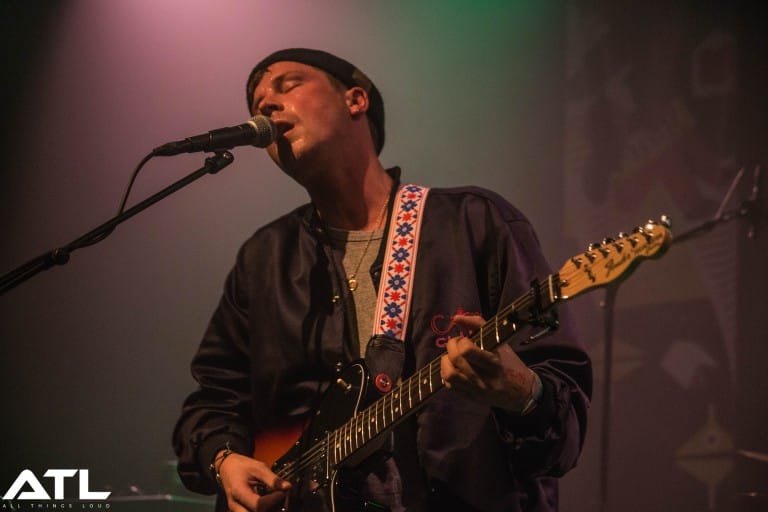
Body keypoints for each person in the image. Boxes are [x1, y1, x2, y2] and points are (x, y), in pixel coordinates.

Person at [173, 48, 592, 512]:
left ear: (356, 100)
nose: (266, 104)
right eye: (257, 103)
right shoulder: (264, 258)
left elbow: (566, 424)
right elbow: (213, 401)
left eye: (287, 85)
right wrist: (225, 460)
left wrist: (524, 393)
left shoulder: (473, 223)